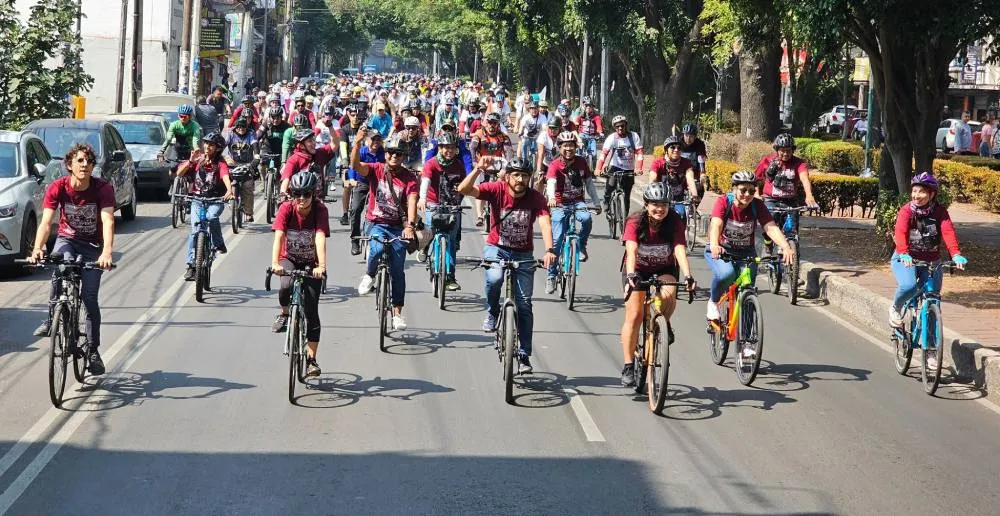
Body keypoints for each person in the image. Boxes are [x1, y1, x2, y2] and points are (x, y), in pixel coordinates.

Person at [457, 156, 557, 375]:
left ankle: (523, 354)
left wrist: (550, 250)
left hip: (524, 253)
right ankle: (492, 311)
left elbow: (545, 223)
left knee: (524, 304)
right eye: (516, 175)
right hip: (497, 247)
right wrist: (477, 169)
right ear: (508, 176)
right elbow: (463, 189)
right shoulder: (496, 189)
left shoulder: (535, 198)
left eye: (524, 175)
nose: (520, 179)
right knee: (494, 278)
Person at [29, 143, 115, 376]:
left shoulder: (102, 189)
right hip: (67, 239)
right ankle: (51, 318)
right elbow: (46, 223)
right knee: (60, 268)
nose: (85, 165)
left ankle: (94, 351)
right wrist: (37, 248)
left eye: (88, 161)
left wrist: (106, 252)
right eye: (79, 161)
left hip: (93, 246)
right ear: (69, 165)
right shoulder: (58, 187)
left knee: (89, 298)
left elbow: (108, 221)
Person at [619, 182, 695, 387]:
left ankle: (663, 323)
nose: (659, 208)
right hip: (638, 269)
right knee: (634, 315)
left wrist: (688, 275)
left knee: (669, 293)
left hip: (664, 268)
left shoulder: (675, 221)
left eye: (664, 204)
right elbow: (632, 250)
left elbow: (679, 249)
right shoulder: (635, 221)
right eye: (655, 204)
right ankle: (628, 364)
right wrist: (632, 275)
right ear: (646, 204)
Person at [705, 171, 794, 338]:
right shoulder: (724, 202)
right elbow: (716, 224)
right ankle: (713, 302)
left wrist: (786, 247)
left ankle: (746, 343)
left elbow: (770, 227)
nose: (747, 195)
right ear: (734, 189)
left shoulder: (757, 205)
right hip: (722, 250)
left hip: (747, 253)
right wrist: (715, 245)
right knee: (727, 274)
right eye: (743, 190)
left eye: (752, 191)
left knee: (747, 295)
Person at [889, 173, 968, 359]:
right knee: (909, 286)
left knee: (933, 301)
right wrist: (904, 252)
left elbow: (948, 232)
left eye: (921, 192)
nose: (916, 195)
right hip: (905, 258)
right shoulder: (907, 211)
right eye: (914, 191)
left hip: (932, 262)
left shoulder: (940, 212)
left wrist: (956, 254)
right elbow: (900, 232)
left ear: (931, 194)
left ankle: (931, 352)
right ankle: (895, 308)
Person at [351, 130, 419, 331]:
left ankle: (397, 313)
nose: (394, 157)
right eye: (390, 152)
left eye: (398, 153)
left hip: (398, 226)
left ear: (403, 156)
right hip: (377, 223)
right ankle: (370, 274)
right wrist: (356, 144)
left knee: (398, 270)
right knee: (377, 249)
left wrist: (410, 226)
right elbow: (356, 166)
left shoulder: (409, 178)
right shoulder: (376, 169)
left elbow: (413, 201)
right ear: (385, 153)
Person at [270, 171, 330, 378]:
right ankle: (285, 313)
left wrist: (321, 266)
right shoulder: (286, 208)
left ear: (313, 194)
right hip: (290, 259)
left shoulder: (320, 210)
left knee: (312, 311)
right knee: (285, 286)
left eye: (306, 194)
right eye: (298, 195)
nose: (302, 199)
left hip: (311, 263)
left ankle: (311, 359)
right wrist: (275, 263)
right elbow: (279, 236)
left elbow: (321, 237)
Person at [544, 131, 602, 294]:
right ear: (559, 147)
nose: (569, 148)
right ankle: (551, 275)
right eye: (565, 145)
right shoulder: (554, 165)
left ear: (576, 147)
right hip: (559, 204)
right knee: (557, 240)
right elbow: (551, 183)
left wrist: (596, 203)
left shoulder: (582, 162)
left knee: (586, 219)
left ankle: (582, 246)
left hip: (578, 201)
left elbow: (589, 184)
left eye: (571, 145)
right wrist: (551, 198)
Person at [176, 132, 235, 281]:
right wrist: (190, 161)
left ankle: (218, 243)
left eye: (211, 144)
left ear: (217, 148)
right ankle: (191, 266)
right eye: (206, 143)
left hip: (215, 200)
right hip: (197, 200)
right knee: (195, 230)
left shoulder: (220, 162)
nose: (207, 146)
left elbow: (225, 176)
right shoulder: (198, 160)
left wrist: (229, 190)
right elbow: (179, 173)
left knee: (211, 216)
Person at [418, 132, 468, 291]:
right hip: (433, 203)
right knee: (429, 232)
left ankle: (450, 276)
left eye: (452, 148)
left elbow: (463, 186)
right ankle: (425, 247)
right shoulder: (431, 163)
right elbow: (425, 181)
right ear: (439, 148)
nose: (449, 151)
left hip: (452, 205)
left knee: (451, 241)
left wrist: (461, 201)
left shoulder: (459, 165)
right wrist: (422, 199)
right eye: (445, 147)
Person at [753, 133, 819, 254]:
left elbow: (804, 178)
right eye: (782, 151)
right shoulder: (767, 160)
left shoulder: (799, 163)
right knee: (770, 225)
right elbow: (756, 179)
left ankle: (792, 258)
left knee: (792, 230)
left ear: (793, 150)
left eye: (788, 151)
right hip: (771, 199)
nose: (785, 154)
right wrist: (756, 194)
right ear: (777, 150)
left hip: (790, 201)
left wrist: (809, 196)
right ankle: (768, 244)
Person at [469, 112, 513, 226]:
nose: (491, 126)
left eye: (494, 123)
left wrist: (507, 167)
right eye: (489, 123)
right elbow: (472, 148)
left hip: (498, 165)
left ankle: (504, 211)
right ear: (486, 123)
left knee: (504, 187)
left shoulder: (503, 136)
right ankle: (479, 216)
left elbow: (509, 152)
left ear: (498, 125)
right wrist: (474, 162)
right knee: (480, 189)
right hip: (482, 164)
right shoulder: (479, 134)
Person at [347, 129, 386, 255]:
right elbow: (353, 165)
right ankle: (355, 241)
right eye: (373, 139)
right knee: (355, 209)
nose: (375, 142)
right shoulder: (362, 151)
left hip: (378, 184)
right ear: (367, 140)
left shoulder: (384, 153)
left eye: (378, 139)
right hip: (362, 183)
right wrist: (352, 179)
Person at [595, 115, 644, 213]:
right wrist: (598, 168)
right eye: (617, 126)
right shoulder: (612, 138)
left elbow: (639, 153)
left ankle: (624, 220)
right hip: (615, 167)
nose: (620, 128)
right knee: (610, 186)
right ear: (614, 127)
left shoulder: (634, 136)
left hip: (629, 169)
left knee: (626, 196)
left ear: (626, 125)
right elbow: (603, 154)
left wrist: (639, 168)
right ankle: (607, 200)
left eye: (622, 125)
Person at [280, 129, 337, 200]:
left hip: (317, 201)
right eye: (310, 141)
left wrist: (330, 126)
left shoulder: (319, 154)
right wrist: (283, 194)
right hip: (299, 200)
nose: (314, 143)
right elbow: (286, 179)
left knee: (323, 211)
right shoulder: (293, 159)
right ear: (301, 146)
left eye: (313, 140)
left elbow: (335, 144)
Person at [650, 136, 698, 220]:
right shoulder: (658, 163)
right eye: (672, 147)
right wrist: (652, 193)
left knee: (682, 215)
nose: (676, 150)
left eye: (679, 148)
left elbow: (690, 177)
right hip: (661, 199)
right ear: (666, 150)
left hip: (678, 199)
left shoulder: (686, 163)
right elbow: (652, 179)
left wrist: (694, 194)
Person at [223, 118, 259, 222]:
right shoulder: (230, 133)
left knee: (248, 187)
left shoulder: (251, 133)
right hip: (233, 163)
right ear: (235, 127)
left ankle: (248, 213)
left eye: (243, 127)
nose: (241, 129)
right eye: (238, 127)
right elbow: (223, 145)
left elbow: (255, 145)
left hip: (247, 164)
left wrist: (256, 157)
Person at [534, 116, 562, 190]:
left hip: (558, 164)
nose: (552, 130)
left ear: (560, 128)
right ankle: (539, 199)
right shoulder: (543, 135)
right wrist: (539, 170)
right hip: (545, 163)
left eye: (555, 128)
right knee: (539, 181)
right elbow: (541, 154)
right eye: (550, 128)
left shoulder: (562, 136)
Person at [679, 123, 708, 194]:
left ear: (695, 137)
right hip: (679, 171)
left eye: (691, 136)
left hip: (694, 170)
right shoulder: (678, 142)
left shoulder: (699, 144)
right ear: (683, 135)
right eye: (686, 135)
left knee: (700, 189)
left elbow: (701, 159)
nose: (688, 139)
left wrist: (702, 173)